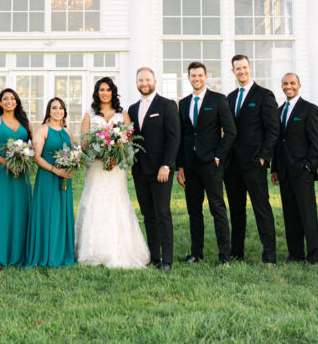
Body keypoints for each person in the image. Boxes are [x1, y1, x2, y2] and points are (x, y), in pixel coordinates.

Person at [75, 77, 151, 268]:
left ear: (113, 92)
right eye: (101, 90)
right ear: (97, 92)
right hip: (96, 166)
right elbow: (84, 142)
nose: (105, 93)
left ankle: (120, 249)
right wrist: (99, 153)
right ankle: (91, 250)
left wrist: (116, 155)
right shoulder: (89, 115)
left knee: (117, 201)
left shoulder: (122, 114)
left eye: (108, 89)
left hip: (116, 167)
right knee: (94, 199)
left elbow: (129, 140)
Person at [177, 62, 236, 265]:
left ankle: (224, 256)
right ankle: (196, 253)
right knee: (194, 211)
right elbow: (183, 135)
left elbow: (230, 132)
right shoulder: (183, 103)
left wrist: (218, 156)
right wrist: (180, 166)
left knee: (217, 209)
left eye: (200, 75)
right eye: (193, 75)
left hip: (211, 164)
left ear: (206, 76)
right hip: (190, 164)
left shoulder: (218, 100)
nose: (197, 78)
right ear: (188, 78)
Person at [224, 55, 280, 263]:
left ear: (250, 68)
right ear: (233, 71)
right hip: (232, 165)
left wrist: (264, 158)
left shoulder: (264, 95)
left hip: (254, 163)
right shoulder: (229, 98)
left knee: (262, 209)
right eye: (237, 68)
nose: (241, 71)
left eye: (244, 67)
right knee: (236, 211)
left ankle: (269, 254)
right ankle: (236, 252)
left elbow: (273, 130)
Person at [128, 67, 180, 269]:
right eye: (141, 80)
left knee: (162, 213)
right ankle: (155, 256)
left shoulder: (167, 105)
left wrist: (167, 165)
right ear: (136, 83)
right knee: (148, 214)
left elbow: (174, 138)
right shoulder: (132, 109)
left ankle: (167, 259)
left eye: (147, 80)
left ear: (155, 81)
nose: (144, 83)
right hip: (140, 171)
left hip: (161, 170)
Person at [271, 73, 318, 264]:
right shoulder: (279, 110)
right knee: (290, 215)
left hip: (302, 171)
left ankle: (314, 255)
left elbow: (316, 142)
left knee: (307, 215)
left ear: (299, 85)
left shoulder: (309, 109)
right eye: (285, 83)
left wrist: (309, 166)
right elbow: (278, 142)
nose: (288, 86)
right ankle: (295, 254)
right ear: (281, 86)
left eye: (292, 83)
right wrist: (274, 169)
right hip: (284, 172)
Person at [0, 88, 33, 268]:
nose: (9, 101)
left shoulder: (25, 123)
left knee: (19, 211)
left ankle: (18, 254)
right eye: (5, 99)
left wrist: (25, 157)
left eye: (12, 98)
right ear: (0, 103)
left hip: (20, 172)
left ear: (17, 102)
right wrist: (5, 162)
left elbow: (32, 145)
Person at [25, 97, 76, 268]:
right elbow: (36, 157)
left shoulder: (68, 132)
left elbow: (72, 154)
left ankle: (62, 253)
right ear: (49, 111)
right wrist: (55, 170)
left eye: (60, 108)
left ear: (64, 111)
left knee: (62, 215)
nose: (58, 111)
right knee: (48, 214)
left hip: (65, 179)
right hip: (48, 178)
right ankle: (45, 254)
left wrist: (72, 167)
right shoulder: (42, 130)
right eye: (54, 108)